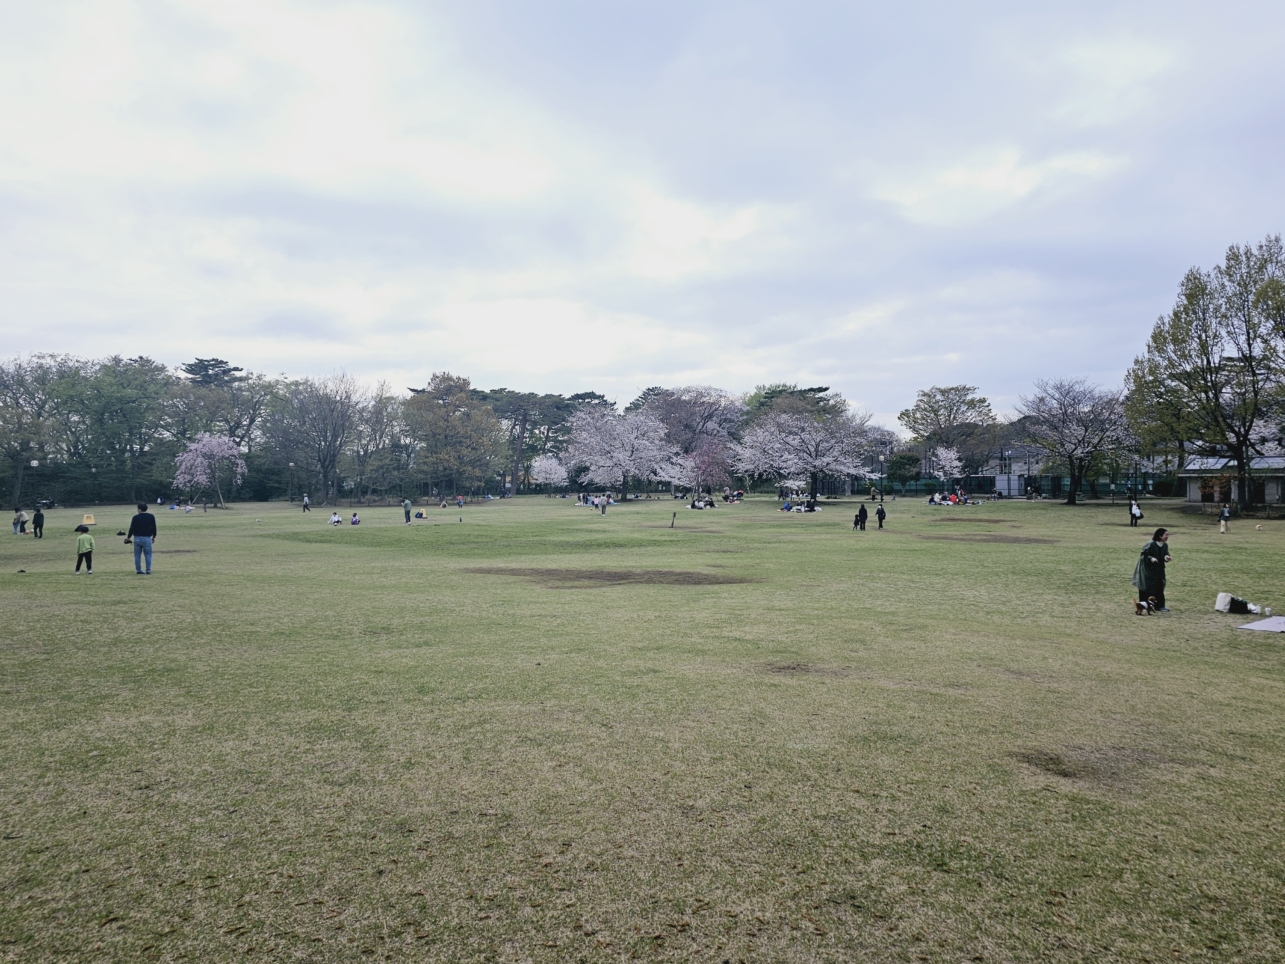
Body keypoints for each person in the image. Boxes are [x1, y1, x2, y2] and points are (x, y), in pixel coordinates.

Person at [1132, 527, 1172, 612]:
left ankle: (1160, 605)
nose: (1167, 537)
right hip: (1147, 570)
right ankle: (1144, 605)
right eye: (1166, 535)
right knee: (1146, 586)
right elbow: (1144, 554)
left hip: (1159, 569)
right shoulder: (1150, 544)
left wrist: (1166, 557)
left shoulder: (1165, 545)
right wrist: (1151, 559)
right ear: (1160, 535)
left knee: (1159, 586)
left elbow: (1165, 554)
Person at [126, 502, 157, 574]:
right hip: (147, 538)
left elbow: (132, 528)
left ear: (140, 509)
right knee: (148, 555)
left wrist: (128, 537)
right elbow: (154, 527)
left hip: (137, 538)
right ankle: (148, 570)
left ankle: (138, 570)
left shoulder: (135, 517)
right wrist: (154, 536)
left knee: (137, 555)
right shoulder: (151, 516)